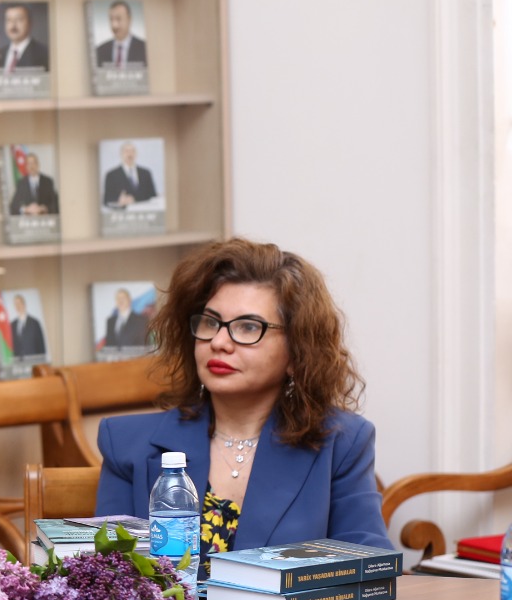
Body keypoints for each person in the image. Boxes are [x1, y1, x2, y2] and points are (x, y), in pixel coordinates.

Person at [95, 239, 391, 562]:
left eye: (249, 327)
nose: (219, 342)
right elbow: (110, 577)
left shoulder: (342, 444)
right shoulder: (126, 445)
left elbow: (369, 567)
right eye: (210, 322)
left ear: (297, 351)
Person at [0, 4, 49, 73]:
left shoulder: (44, 54)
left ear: (30, 23)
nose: (13, 25)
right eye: (9, 20)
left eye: (19, 19)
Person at [102, 141, 159, 208]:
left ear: (136, 154)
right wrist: (118, 199)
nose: (130, 154)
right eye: (126, 151)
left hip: (144, 212)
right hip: (121, 214)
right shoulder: (111, 175)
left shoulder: (146, 173)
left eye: (132, 151)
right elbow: (106, 200)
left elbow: (153, 195)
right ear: (121, 154)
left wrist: (134, 198)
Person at [94, 0, 147, 69]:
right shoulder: (100, 50)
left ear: (129, 20)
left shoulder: (143, 48)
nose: (114, 25)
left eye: (118, 19)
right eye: (111, 19)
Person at [7, 151, 58, 216]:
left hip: (45, 221)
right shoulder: (21, 183)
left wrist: (44, 208)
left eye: (33, 163)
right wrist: (26, 209)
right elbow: (13, 207)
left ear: (38, 164)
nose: (31, 166)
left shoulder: (48, 181)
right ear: (26, 166)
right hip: (27, 223)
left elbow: (55, 204)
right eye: (29, 163)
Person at [9, 293, 46, 358]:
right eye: (15, 304)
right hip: (18, 363)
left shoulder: (35, 323)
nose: (17, 306)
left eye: (19, 303)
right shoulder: (12, 325)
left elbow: (41, 346)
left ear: (24, 304)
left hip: (33, 362)